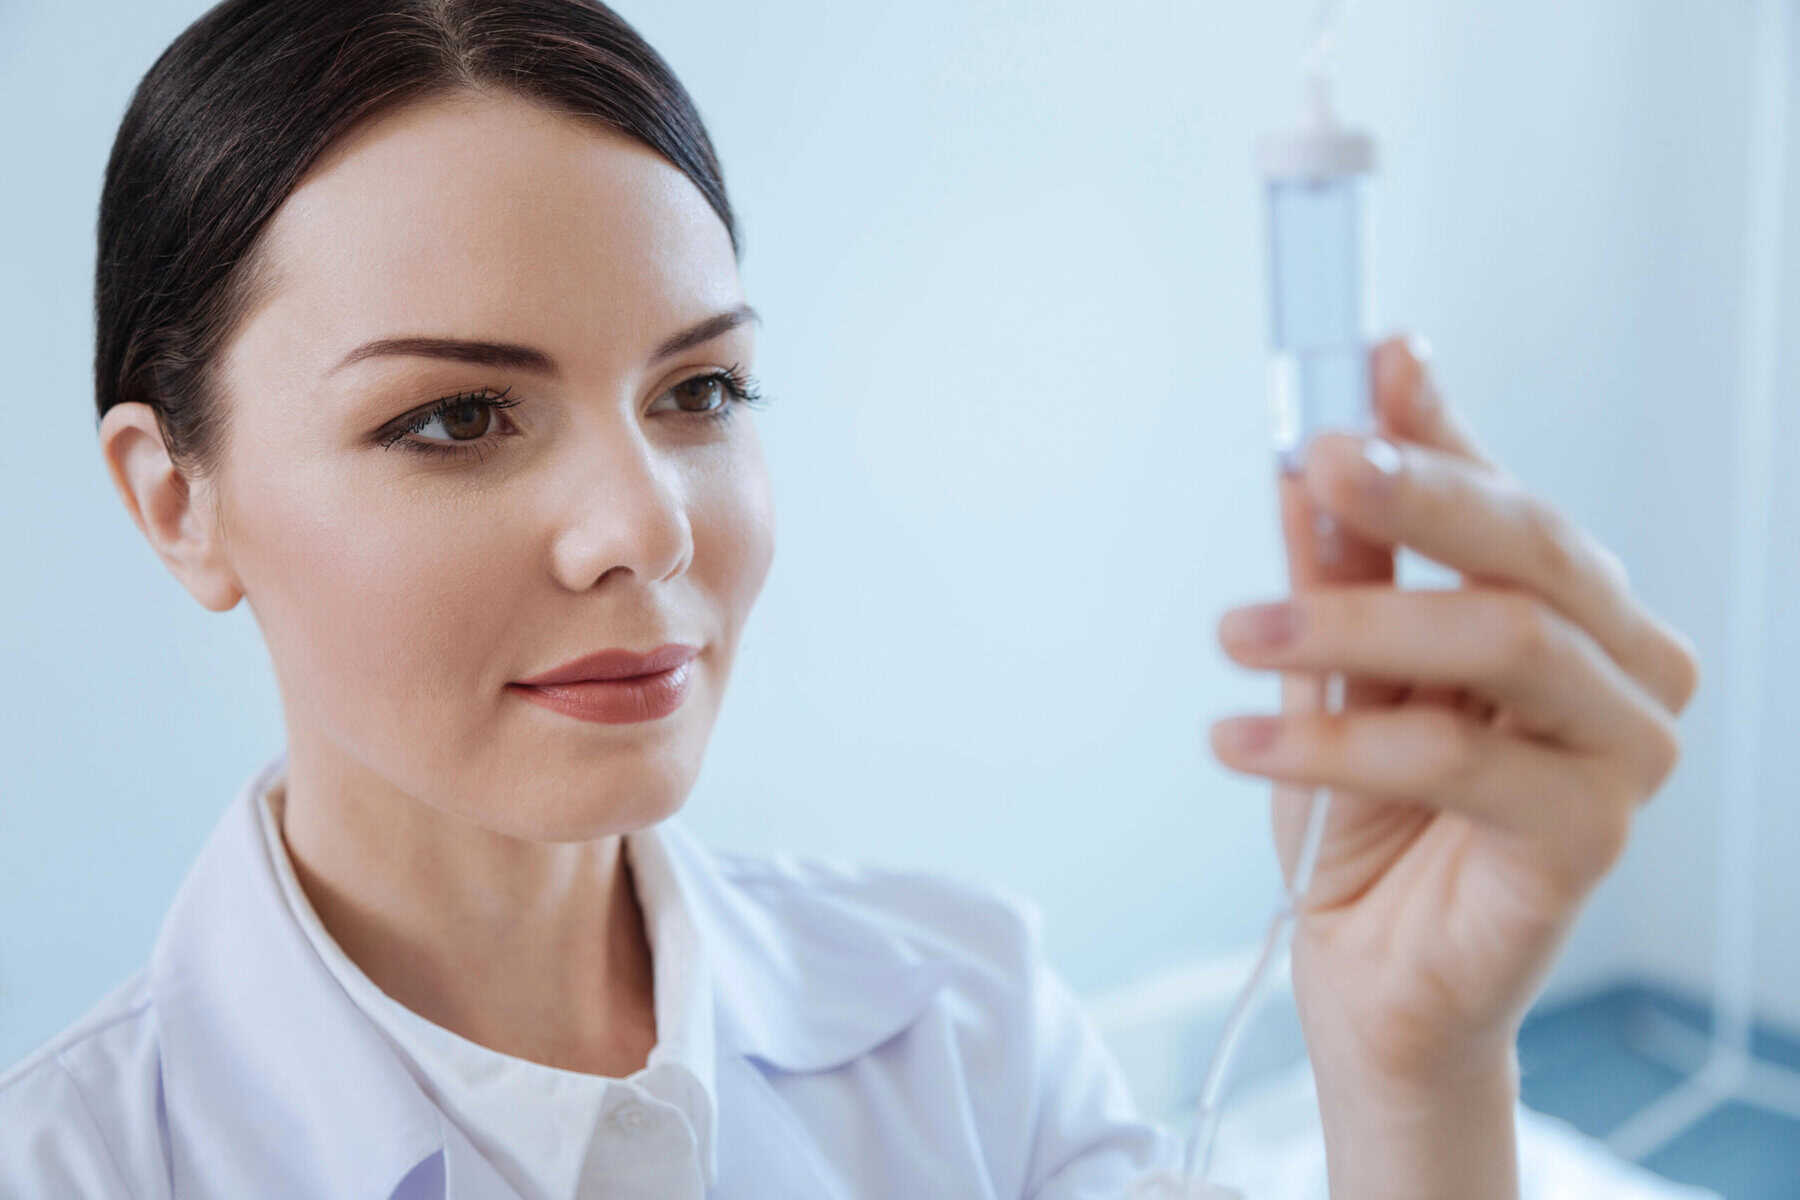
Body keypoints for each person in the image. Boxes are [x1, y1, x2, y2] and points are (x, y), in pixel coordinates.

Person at [0, 1, 1699, 1197]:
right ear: (177, 498)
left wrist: (1416, 1071)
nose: (644, 525)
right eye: (455, 417)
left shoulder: (962, 1017)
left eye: (701, 393)